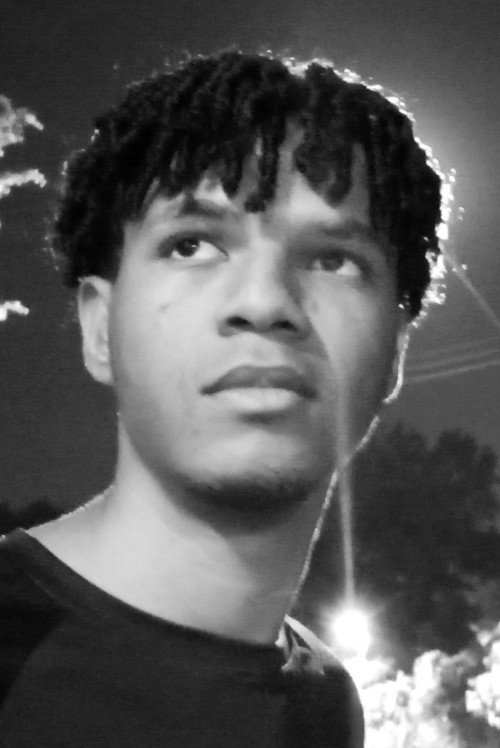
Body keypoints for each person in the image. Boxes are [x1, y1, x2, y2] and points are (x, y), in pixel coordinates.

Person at [0, 50, 443, 747]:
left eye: (333, 259)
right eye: (191, 245)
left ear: (397, 348)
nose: (264, 302)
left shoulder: (327, 708)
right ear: (99, 328)